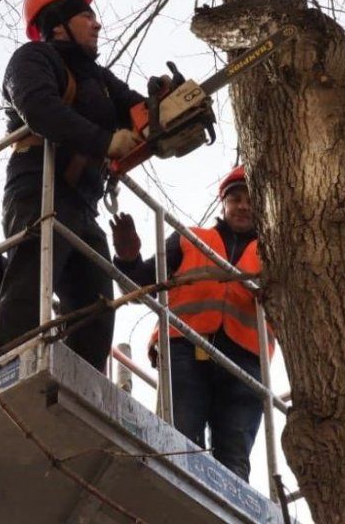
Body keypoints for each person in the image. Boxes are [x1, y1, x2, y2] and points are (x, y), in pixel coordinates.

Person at [0, 0, 145, 372]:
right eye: (86, 16)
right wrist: (104, 140)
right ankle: (11, 367)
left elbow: (136, 108)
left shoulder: (99, 80)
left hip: (82, 205)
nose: (97, 25)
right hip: (38, 188)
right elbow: (39, 108)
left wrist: (165, 107)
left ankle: (80, 385)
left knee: (96, 306)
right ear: (57, 23)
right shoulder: (32, 59)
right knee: (30, 284)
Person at [110, 165, 275, 481]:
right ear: (224, 204)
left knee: (235, 462)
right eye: (236, 198)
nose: (242, 205)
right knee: (179, 444)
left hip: (246, 364)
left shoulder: (274, 255)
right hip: (185, 350)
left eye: (250, 200)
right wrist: (129, 258)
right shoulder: (190, 239)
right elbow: (137, 290)